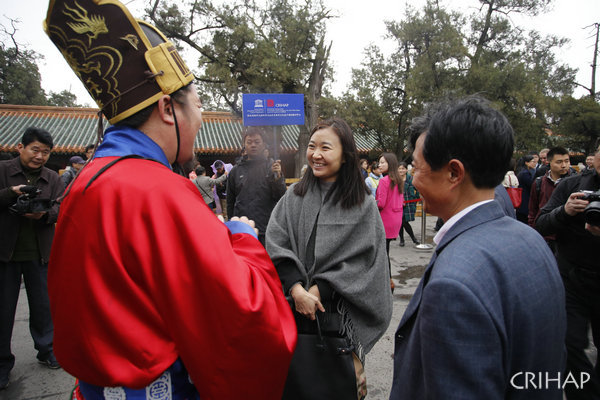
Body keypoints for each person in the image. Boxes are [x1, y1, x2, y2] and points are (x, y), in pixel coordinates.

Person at [44, 1, 296, 399]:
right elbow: (245, 316)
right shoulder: (158, 190)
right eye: (198, 106)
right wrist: (241, 238)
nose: (200, 122)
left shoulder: (87, 180)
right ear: (166, 108)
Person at [391, 96, 566, 400]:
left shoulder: (454, 285)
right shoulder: (529, 239)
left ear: (454, 173)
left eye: (417, 167)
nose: (413, 179)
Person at [266, 117, 392, 399]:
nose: (316, 154)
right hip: (292, 315)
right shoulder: (293, 196)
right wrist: (297, 289)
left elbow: (366, 263)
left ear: (345, 156)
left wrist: (320, 288)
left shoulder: (363, 204)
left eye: (326, 147)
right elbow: (276, 243)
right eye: (312, 147)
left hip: (338, 323)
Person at [0, 127, 64, 389]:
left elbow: (61, 206)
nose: (40, 156)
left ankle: (47, 350)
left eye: (46, 152)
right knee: (3, 310)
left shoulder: (52, 177)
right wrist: (11, 193)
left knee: (43, 306)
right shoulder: (3, 171)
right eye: (35, 150)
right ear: (20, 147)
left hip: (40, 252)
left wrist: (44, 215)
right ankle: (2, 363)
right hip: (6, 252)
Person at [535, 144, 600, 400]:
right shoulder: (572, 185)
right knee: (569, 344)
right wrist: (565, 211)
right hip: (572, 279)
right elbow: (541, 221)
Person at [227, 127, 286, 245]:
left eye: (257, 142)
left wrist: (278, 178)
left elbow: (280, 196)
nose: (253, 145)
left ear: (264, 144)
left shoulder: (272, 167)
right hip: (243, 227)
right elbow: (230, 201)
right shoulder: (235, 171)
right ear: (244, 144)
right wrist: (232, 223)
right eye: (249, 142)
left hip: (266, 227)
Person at [528, 146, 571, 250]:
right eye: (559, 162)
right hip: (543, 235)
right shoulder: (539, 183)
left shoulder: (574, 182)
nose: (564, 165)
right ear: (549, 162)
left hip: (567, 237)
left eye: (567, 161)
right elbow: (533, 210)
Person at [376, 152, 404, 291]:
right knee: (385, 251)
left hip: (384, 219)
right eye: (379, 162)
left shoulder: (384, 181)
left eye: (383, 162)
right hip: (396, 219)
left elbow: (380, 203)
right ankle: (388, 279)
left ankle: (388, 280)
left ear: (390, 164)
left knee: (382, 253)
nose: (379, 165)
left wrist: (370, 204)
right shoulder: (398, 180)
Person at [397, 161, 420, 246]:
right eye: (399, 169)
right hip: (398, 204)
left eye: (403, 168)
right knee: (401, 221)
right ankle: (404, 239)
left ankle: (410, 238)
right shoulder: (395, 180)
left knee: (404, 221)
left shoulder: (411, 178)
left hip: (409, 204)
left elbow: (418, 188)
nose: (401, 170)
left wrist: (415, 199)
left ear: (406, 170)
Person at [515, 154, 537, 223]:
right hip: (524, 201)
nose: (534, 163)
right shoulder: (525, 174)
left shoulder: (523, 172)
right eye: (532, 162)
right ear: (526, 163)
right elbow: (532, 185)